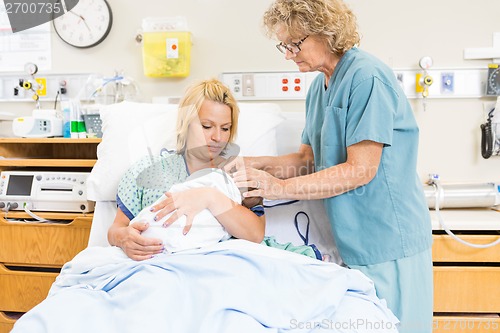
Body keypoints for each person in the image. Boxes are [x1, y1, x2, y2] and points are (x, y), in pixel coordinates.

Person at [226, 1, 433, 332]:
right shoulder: (318, 89)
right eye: (284, 45)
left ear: (326, 32)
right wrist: (249, 165)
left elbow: (360, 169)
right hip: (353, 241)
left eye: (295, 43)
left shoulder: (367, 79)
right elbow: (307, 160)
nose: (288, 53)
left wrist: (277, 188)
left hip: (389, 239)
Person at [107, 78, 266, 260]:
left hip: (220, 265)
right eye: (207, 126)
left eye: (225, 128)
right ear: (186, 123)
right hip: (155, 265)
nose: (218, 137)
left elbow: (256, 235)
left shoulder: (237, 175)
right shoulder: (149, 171)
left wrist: (210, 197)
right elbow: (116, 229)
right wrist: (124, 239)